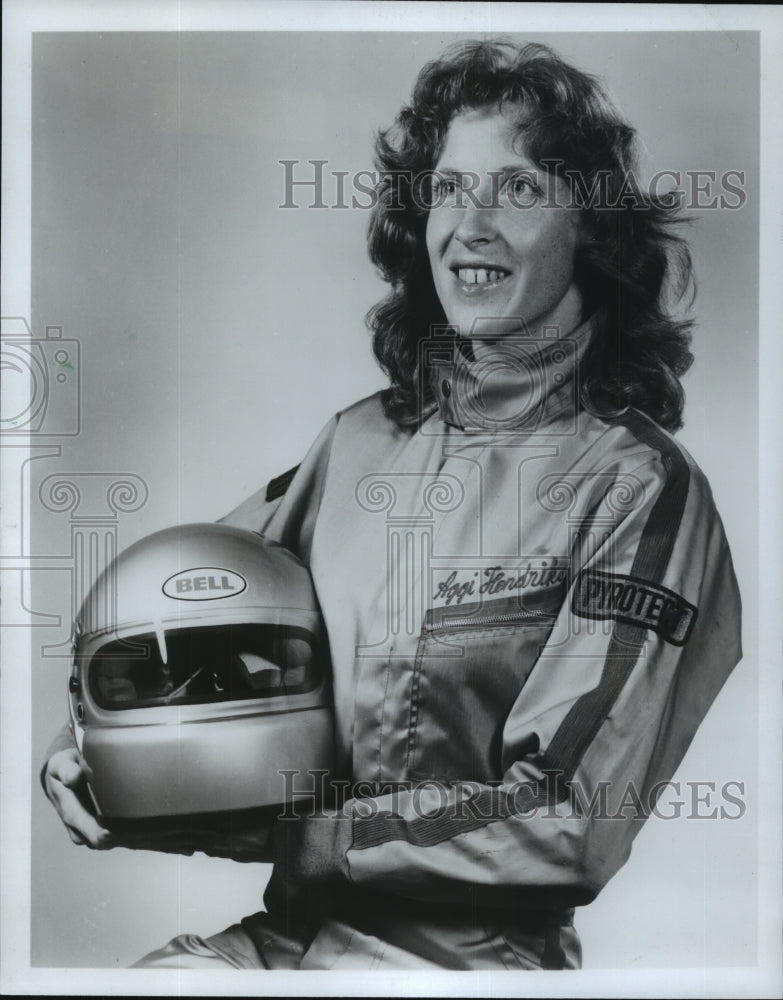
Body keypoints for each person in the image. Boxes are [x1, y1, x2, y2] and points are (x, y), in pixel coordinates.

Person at [42, 39, 742, 971]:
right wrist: (93, 743)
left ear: (593, 229)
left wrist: (306, 836)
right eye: (449, 189)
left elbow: (571, 821)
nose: (471, 223)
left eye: (518, 190)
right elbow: (182, 609)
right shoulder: (358, 443)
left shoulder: (638, 488)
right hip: (282, 943)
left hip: (464, 968)